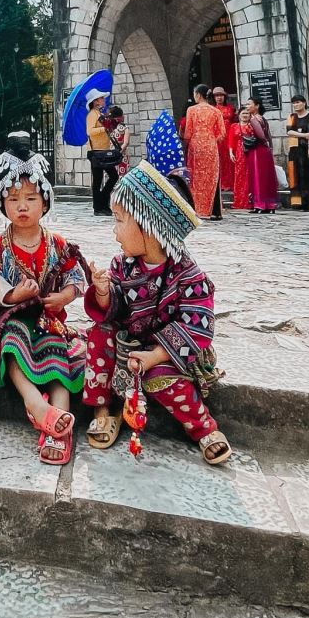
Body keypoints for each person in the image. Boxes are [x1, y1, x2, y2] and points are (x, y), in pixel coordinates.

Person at [82, 161, 231, 464]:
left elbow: (198, 326)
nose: (115, 231)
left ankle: (204, 428)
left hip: (169, 354)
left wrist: (155, 356)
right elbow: (115, 310)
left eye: (120, 220)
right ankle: (104, 410)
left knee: (159, 379)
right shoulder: (122, 265)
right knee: (99, 335)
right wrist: (103, 292)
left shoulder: (189, 275)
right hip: (128, 345)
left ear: (148, 225)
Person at [0, 146, 87, 466]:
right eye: (13, 199)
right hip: (15, 320)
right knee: (11, 344)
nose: (22, 206)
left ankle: (60, 423)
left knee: (59, 359)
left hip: (51, 322)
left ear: (45, 202)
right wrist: (14, 295)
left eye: (30, 198)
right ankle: (37, 405)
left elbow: (76, 275)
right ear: (2, 204)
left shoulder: (57, 244)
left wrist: (65, 296)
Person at [182, 84, 224, 219]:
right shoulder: (216, 111)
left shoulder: (191, 110)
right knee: (212, 177)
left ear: (198, 95)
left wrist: (185, 143)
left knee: (195, 177)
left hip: (195, 147)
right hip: (211, 146)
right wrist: (211, 140)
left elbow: (188, 133)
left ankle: (197, 209)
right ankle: (214, 211)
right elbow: (222, 133)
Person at [285, 95, 309, 211]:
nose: (295, 105)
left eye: (298, 102)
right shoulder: (292, 117)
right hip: (295, 149)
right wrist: (304, 135)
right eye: (294, 103)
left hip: (306, 148)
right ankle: (299, 201)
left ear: (304, 103)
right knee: (297, 174)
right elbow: (289, 131)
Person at [244, 96, 279, 214]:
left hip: (257, 150)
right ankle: (270, 205)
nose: (247, 106)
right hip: (265, 151)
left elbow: (261, 135)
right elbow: (268, 136)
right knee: (266, 177)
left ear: (257, 106)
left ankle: (260, 204)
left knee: (258, 177)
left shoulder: (253, 119)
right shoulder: (263, 119)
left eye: (249, 104)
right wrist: (270, 148)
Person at [86, 89, 119, 215]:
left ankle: (103, 202)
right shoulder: (92, 115)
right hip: (96, 151)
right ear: (95, 101)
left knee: (113, 177)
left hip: (104, 150)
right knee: (98, 180)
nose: (103, 100)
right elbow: (90, 131)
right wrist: (103, 128)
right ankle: (98, 207)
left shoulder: (100, 114)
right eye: (101, 98)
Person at [211, 86, 237, 193]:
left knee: (230, 160)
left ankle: (231, 183)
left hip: (229, 136)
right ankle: (221, 184)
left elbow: (235, 122)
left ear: (224, 96)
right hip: (218, 137)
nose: (219, 98)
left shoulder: (231, 108)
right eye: (216, 96)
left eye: (221, 95)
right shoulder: (212, 109)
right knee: (220, 161)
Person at [229, 106, 252, 210]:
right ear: (239, 115)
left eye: (247, 113)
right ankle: (239, 201)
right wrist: (231, 153)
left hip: (250, 153)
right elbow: (231, 140)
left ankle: (249, 200)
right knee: (239, 176)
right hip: (239, 153)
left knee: (249, 175)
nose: (245, 115)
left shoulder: (252, 126)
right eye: (243, 113)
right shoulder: (234, 126)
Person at [102, 104, 130, 175]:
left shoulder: (107, 128)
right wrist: (119, 153)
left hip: (109, 155)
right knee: (122, 175)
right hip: (121, 155)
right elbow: (126, 143)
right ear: (121, 117)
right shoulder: (125, 128)